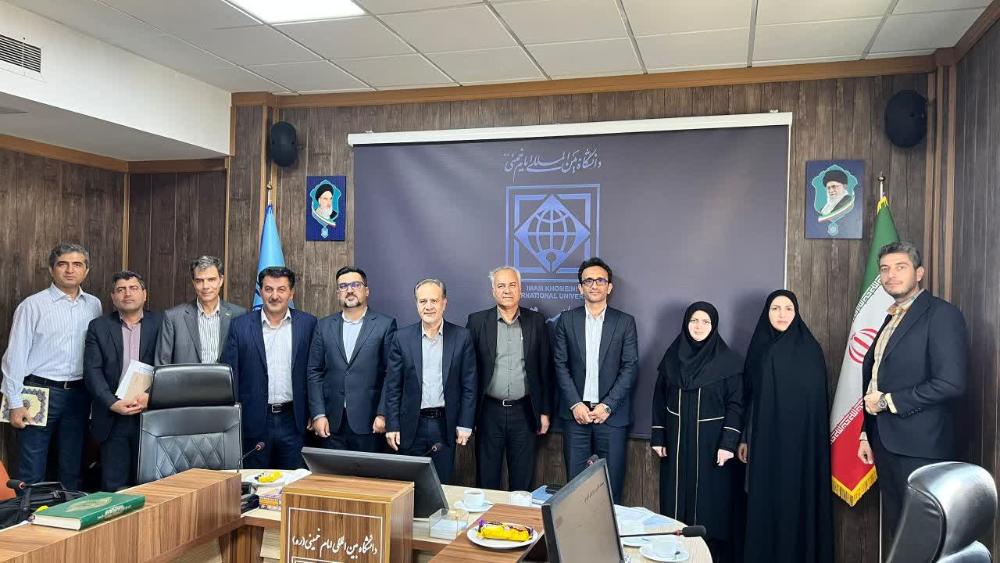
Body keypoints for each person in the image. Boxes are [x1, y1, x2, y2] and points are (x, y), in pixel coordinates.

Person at [857, 241, 968, 535]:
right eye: (885, 269)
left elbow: (951, 383)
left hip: (922, 447)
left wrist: (888, 402)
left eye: (900, 267)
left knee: (923, 535)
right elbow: (878, 378)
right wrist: (867, 432)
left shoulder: (941, 314)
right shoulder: (893, 316)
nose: (891, 275)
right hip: (885, 442)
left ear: (919, 273)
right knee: (899, 532)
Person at [739, 290, 833, 563]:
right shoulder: (758, 348)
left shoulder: (810, 350)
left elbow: (815, 406)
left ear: (796, 313)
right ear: (766, 313)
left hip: (800, 449)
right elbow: (750, 398)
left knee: (797, 502)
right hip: (764, 444)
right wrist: (745, 437)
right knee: (764, 502)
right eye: (775, 308)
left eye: (788, 308)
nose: (782, 314)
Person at [1, 243, 103, 488]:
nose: (70, 270)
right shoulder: (32, 305)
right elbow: (15, 356)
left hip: (79, 394)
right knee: (32, 464)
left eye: (77, 264)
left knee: (72, 463)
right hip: (38, 391)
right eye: (62, 264)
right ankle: (28, 511)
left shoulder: (94, 305)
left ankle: (68, 510)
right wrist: (14, 402)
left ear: (86, 271)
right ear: (51, 269)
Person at [650, 302, 742, 562]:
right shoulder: (672, 358)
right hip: (676, 443)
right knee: (674, 506)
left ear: (714, 326)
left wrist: (728, 444)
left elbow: (736, 404)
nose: (699, 326)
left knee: (710, 507)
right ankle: (674, 555)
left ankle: (708, 557)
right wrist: (658, 435)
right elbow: (659, 398)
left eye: (705, 322)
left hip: (712, 448)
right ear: (686, 324)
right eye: (694, 321)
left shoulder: (728, 362)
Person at [553, 257, 638, 502]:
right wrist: (575, 404)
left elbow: (630, 367)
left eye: (600, 280)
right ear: (580, 288)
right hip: (576, 416)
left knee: (610, 488)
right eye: (588, 281)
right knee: (575, 490)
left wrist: (607, 405)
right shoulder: (567, 320)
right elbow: (560, 364)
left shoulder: (624, 322)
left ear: (609, 287)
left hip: (611, 417)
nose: (594, 285)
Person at [382, 279, 477, 485]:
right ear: (416, 304)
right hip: (410, 425)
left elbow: (469, 385)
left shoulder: (462, 337)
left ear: (444, 303)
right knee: (409, 487)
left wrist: (465, 423)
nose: (428, 306)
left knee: (441, 485)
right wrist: (392, 425)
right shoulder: (401, 338)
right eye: (423, 301)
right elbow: (393, 387)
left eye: (434, 300)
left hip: (444, 425)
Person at [466, 266, 552, 491]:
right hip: (488, 412)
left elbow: (545, 369)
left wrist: (544, 412)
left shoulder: (536, 321)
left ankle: (518, 516)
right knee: (486, 480)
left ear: (520, 289)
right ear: (493, 291)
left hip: (525, 411)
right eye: (501, 285)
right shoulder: (477, 321)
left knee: (522, 483)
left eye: (512, 285)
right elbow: (468, 372)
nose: (507, 290)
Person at [222, 267, 317, 469]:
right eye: (268, 289)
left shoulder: (308, 324)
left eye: (281, 289)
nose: (275, 296)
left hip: (294, 421)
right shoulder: (240, 326)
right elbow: (231, 376)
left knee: (294, 481)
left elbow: (315, 372)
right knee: (254, 482)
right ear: (260, 292)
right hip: (253, 421)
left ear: (291, 293)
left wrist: (314, 411)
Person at [83, 271, 161, 491]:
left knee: (151, 485)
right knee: (114, 485)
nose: (127, 294)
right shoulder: (98, 327)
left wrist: (151, 397)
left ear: (144, 294)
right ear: (113, 297)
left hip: (150, 415)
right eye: (121, 290)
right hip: (113, 416)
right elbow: (92, 371)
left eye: (133, 288)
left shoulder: (162, 323)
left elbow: (169, 366)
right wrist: (112, 402)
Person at [307, 266, 397, 452]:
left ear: (366, 290)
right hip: (331, 423)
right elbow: (314, 372)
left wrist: (383, 413)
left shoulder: (385, 325)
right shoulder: (323, 326)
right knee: (332, 472)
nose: (349, 290)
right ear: (338, 293)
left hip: (370, 422)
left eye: (356, 285)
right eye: (343, 286)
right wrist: (318, 414)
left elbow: (392, 374)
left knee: (367, 472)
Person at [156, 256, 246, 365]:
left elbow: (246, 362)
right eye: (199, 281)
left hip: (226, 377)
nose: (205, 286)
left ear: (221, 280)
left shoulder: (239, 315)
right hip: (186, 377)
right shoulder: (173, 318)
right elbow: (161, 366)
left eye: (211, 280)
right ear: (193, 283)